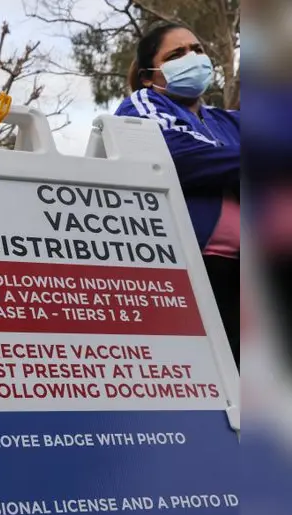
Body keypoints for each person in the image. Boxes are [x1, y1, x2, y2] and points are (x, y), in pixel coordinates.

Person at [115, 23, 240, 366]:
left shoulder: (228, 122)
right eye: (176, 54)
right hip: (192, 270)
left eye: (197, 49)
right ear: (147, 75)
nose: (193, 58)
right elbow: (180, 156)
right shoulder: (141, 106)